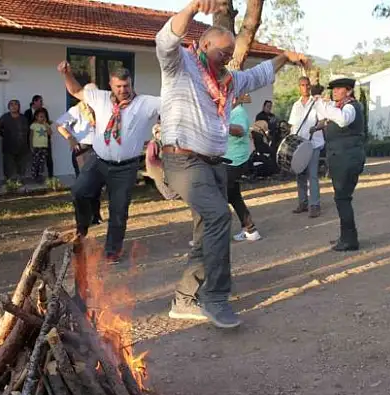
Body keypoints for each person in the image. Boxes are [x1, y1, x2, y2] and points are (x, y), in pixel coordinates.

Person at [156, 0, 310, 328]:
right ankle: (214, 298)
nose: (226, 59)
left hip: (214, 163)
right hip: (183, 160)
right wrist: (192, 8)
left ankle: (184, 299)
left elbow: (258, 75)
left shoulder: (229, 81)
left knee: (207, 230)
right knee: (219, 219)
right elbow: (165, 39)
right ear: (203, 45)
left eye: (230, 55)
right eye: (221, 53)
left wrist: (286, 57)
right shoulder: (179, 64)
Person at [58, 62, 160, 264]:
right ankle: (82, 229)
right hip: (98, 161)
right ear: (111, 86)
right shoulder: (100, 97)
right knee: (79, 190)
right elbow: (76, 90)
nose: (123, 90)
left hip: (125, 167)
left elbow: (174, 104)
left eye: (126, 86)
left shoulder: (145, 103)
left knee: (119, 210)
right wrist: (67, 73)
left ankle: (112, 252)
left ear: (131, 84)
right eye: (118, 86)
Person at [311, 78, 366, 252]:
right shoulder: (339, 107)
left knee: (343, 198)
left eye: (338, 89)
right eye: (333, 89)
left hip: (347, 158)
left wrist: (322, 104)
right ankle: (346, 236)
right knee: (342, 198)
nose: (334, 92)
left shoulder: (350, 107)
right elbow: (331, 119)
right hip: (341, 157)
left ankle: (350, 240)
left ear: (348, 91)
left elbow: (342, 120)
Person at [56, 84, 103, 224]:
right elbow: (59, 125)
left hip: (99, 148)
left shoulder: (101, 110)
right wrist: (70, 138)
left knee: (97, 184)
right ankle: (84, 217)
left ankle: (95, 216)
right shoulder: (77, 110)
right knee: (84, 184)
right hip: (83, 150)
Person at [225, 94, 261, 241]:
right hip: (229, 160)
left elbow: (240, 130)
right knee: (233, 196)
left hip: (234, 161)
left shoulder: (239, 112)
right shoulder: (229, 112)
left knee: (219, 196)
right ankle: (251, 230)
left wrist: (219, 125)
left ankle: (210, 236)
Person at [288, 76, 324, 218]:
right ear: (299, 87)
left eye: (307, 85)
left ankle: (314, 205)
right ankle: (303, 202)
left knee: (313, 175)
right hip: (299, 145)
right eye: (302, 85)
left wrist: (315, 128)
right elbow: (293, 125)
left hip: (313, 144)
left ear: (310, 86)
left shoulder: (317, 103)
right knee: (300, 175)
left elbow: (322, 121)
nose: (305, 87)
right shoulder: (296, 105)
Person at [0, 99, 30, 182]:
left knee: (21, 166)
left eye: (16, 104)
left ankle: (20, 181)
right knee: (8, 166)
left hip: (22, 147)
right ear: (9, 107)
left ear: (19, 107)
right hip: (8, 146)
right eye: (11, 105)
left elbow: (28, 132)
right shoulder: (4, 117)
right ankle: (8, 183)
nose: (13, 106)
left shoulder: (23, 118)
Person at [25, 95, 54, 179]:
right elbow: (28, 127)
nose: (42, 103)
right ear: (35, 102)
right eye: (40, 101)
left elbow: (47, 122)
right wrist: (30, 144)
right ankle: (35, 176)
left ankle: (51, 177)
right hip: (35, 141)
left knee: (47, 159)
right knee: (35, 160)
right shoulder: (28, 112)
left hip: (45, 141)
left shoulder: (44, 111)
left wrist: (46, 123)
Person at [30, 109, 52, 182]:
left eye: (43, 117)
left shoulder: (46, 125)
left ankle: (40, 176)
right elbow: (31, 136)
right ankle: (34, 176)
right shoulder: (33, 125)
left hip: (44, 147)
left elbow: (50, 133)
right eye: (41, 116)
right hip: (36, 147)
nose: (42, 118)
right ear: (36, 117)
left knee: (42, 163)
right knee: (35, 162)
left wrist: (46, 124)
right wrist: (31, 146)